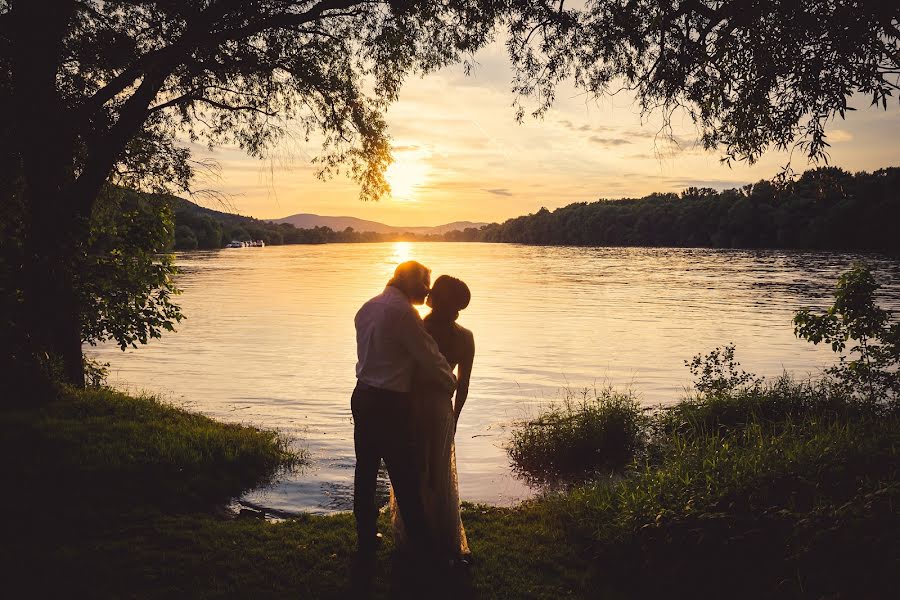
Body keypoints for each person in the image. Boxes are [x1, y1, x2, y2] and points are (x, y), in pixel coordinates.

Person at [351, 261, 457, 558]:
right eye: (425, 284)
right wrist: (451, 383)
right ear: (409, 282)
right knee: (405, 473)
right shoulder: (404, 314)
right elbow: (429, 356)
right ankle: (422, 547)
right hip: (389, 403)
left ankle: (366, 537)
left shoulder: (367, 307)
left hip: (362, 395)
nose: (427, 292)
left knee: (366, 468)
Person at [391, 275, 474, 561]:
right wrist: (455, 417)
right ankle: (443, 538)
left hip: (412, 406)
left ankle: (414, 537)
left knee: (413, 471)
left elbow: (400, 370)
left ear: (438, 299)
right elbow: (462, 385)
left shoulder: (417, 328)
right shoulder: (465, 337)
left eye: (434, 292)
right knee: (439, 475)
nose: (429, 294)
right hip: (441, 409)